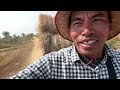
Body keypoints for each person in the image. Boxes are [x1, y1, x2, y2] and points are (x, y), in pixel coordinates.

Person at [10, 11, 120, 79]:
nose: (87, 31)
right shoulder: (50, 64)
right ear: (70, 30)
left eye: (97, 20)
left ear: (109, 26)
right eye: (78, 23)